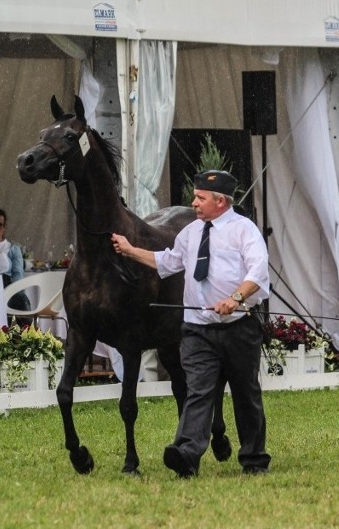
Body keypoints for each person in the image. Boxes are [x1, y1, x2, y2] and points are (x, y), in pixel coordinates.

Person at [111, 169, 271, 477]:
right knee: (198, 390)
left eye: (200, 198)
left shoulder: (244, 231)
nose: (193, 203)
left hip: (239, 327)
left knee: (245, 393)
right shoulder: (192, 232)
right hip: (197, 328)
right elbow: (167, 262)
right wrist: (130, 251)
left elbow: (258, 273)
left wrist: (235, 299)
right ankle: (186, 453)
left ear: (220, 201)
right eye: (195, 196)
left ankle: (254, 459)